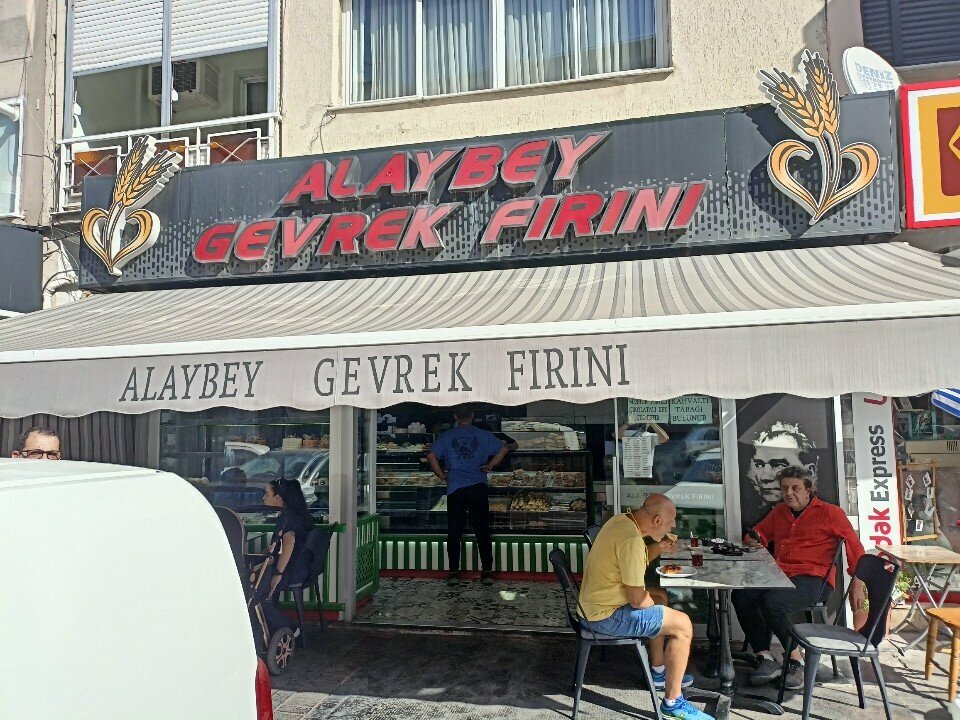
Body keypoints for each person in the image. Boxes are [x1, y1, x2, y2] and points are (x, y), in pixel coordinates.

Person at [578, 494, 714, 720]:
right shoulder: (630, 539)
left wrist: (659, 546)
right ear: (658, 520)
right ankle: (673, 702)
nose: (674, 526)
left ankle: (659, 672)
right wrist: (654, 606)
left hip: (594, 605)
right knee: (682, 625)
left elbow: (636, 558)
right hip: (603, 618)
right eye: (671, 521)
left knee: (660, 597)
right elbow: (638, 601)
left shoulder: (620, 521)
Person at [732, 466, 866, 691]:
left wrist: (858, 581)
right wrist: (755, 538)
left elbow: (855, 547)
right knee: (741, 596)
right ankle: (764, 657)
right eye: (784, 488)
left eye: (795, 488)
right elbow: (759, 533)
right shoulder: (780, 511)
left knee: (774, 603)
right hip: (780, 574)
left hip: (815, 578)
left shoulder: (831, 513)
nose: (789, 493)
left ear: (808, 490)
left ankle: (795, 660)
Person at [427, 406, 511, 586]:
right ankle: (487, 572)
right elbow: (504, 448)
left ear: (456, 416)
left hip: (455, 488)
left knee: (454, 531)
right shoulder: (483, 435)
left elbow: (431, 455)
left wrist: (441, 475)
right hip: (478, 487)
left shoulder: (448, 436)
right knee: (482, 530)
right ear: (473, 415)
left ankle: (453, 573)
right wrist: (490, 465)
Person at [742, 421, 818, 525]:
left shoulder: (829, 514)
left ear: (809, 472)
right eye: (759, 465)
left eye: (779, 465)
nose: (764, 477)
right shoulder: (776, 514)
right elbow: (757, 535)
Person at [260, 479, 315, 595]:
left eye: (267, 494)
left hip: (292, 571)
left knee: (250, 580)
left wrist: (278, 575)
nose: (264, 497)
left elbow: (288, 545)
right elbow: (274, 549)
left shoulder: (287, 519)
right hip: (304, 568)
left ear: (277, 497)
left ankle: (259, 611)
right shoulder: (298, 515)